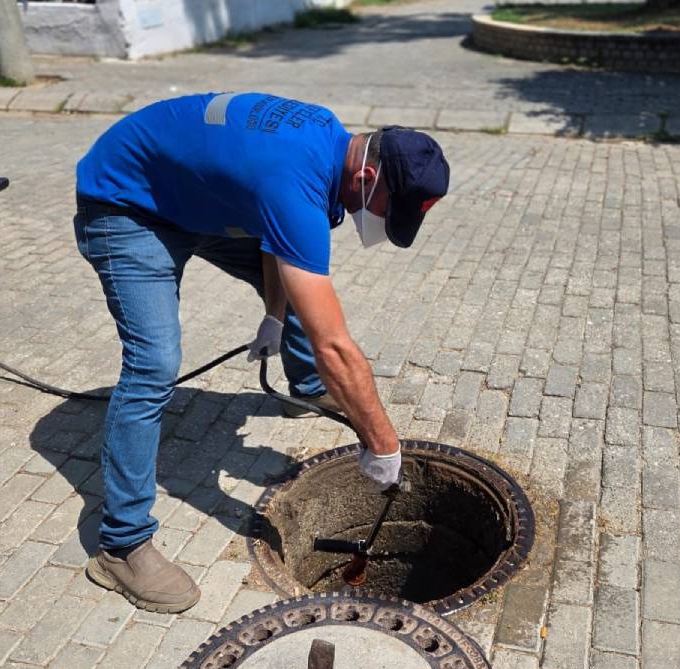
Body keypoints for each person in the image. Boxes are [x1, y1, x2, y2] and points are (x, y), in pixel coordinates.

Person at [73, 92, 450, 613]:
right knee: (153, 363)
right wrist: (382, 443)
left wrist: (275, 315)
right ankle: (120, 545)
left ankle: (308, 388)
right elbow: (334, 344)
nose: (387, 221)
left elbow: (276, 240)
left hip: (195, 198)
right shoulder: (293, 179)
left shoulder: (327, 144)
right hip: (128, 204)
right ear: (366, 179)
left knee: (303, 291)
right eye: (393, 208)